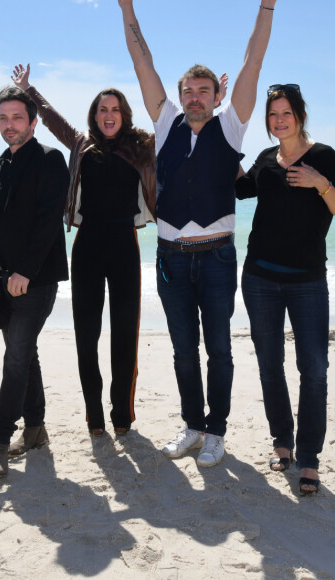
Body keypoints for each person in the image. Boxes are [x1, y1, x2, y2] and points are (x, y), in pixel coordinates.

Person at [118, 0, 277, 466]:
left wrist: (266, 6)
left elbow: (254, 61)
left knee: (219, 348)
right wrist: (127, 6)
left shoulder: (231, 126)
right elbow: (140, 58)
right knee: (183, 348)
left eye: (203, 90)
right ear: (179, 94)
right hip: (170, 257)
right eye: (188, 90)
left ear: (215, 97)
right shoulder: (164, 122)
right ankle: (192, 424)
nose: (194, 97)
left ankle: (217, 431)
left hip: (216, 258)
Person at [11, 63, 156, 437]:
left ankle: (121, 414)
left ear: (124, 115)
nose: (108, 115)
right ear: (94, 116)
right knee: (86, 333)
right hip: (87, 245)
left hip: (125, 243)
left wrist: (214, 105)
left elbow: (176, 126)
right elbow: (50, 118)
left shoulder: (140, 148)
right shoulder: (81, 143)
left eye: (115, 109)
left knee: (125, 332)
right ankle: (94, 414)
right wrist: (29, 90)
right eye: (102, 109)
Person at [236, 85, 335, 495]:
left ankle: (310, 459)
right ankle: (282, 442)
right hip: (259, 277)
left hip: (307, 281)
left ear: (299, 114)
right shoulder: (266, 159)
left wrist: (319, 183)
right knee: (269, 365)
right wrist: (218, 143)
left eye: (286, 113)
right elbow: (241, 188)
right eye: (273, 114)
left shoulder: (325, 157)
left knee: (313, 370)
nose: (279, 120)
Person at [0, 86, 70, 478]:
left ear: (33, 122)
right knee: (24, 354)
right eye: (3, 118)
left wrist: (26, 272)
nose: (10, 125)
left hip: (36, 280)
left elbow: (49, 222)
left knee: (15, 357)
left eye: (18, 117)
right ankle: (35, 430)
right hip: (1, 280)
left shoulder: (51, 159)